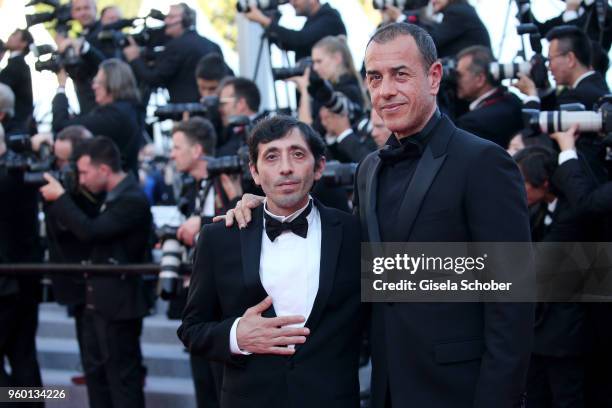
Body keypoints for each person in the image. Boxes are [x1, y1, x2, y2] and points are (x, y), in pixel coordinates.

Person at [224, 22, 534, 408]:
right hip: (387, 386)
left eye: (400, 75)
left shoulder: (484, 161)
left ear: (434, 76)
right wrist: (262, 205)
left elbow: (513, 298)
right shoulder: (369, 168)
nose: (385, 90)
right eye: (374, 78)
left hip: (461, 389)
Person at [178, 115, 363, 408]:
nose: (286, 167)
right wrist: (236, 335)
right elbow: (191, 329)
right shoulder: (220, 238)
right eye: (271, 156)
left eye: (298, 154)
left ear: (319, 167)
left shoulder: (355, 234)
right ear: (254, 171)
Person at [40, 136, 152, 408]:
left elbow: (91, 232)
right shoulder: (109, 196)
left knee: (123, 383)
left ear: (103, 170)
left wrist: (62, 198)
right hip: (97, 302)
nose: (80, 179)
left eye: (83, 172)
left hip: (120, 306)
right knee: (98, 380)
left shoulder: (131, 199)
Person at [515, 25, 610, 183]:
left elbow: (535, 131)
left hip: (583, 186)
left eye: (550, 59)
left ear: (570, 59)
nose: (548, 67)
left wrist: (532, 96)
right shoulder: (595, 88)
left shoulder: (578, 96)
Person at [0, 119, 43, 407]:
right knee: (25, 355)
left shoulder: (7, 177)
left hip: (6, 284)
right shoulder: (22, 171)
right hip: (27, 278)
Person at [52, 58, 144, 176]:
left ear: (113, 85)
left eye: (98, 82)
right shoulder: (130, 109)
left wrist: (61, 87)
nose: (93, 86)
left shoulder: (114, 116)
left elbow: (60, 126)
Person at [124, 3, 225, 104]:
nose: (166, 21)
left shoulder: (176, 46)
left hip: (185, 110)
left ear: (185, 21)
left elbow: (154, 78)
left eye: (171, 17)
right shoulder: (212, 45)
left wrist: (134, 59)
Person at [290, 35, 367, 138]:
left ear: (337, 58)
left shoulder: (346, 92)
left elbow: (307, 134)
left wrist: (304, 91)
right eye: (313, 63)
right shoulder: (330, 88)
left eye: (319, 61)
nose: (315, 68)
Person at [454, 45, 523, 148]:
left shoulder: (472, 123)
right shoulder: (514, 101)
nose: (456, 80)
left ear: (480, 79)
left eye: (460, 75)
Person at [55, 0, 110, 114]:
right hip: (85, 106)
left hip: (104, 109)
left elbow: (110, 66)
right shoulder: (79, 36)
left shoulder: (107, 32)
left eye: (86, 8)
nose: (83, 13)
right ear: (73, 13)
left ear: (95, 9)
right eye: (78, 9)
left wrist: (84, 47)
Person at [244, 0, 347, 61]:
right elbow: (291, 44)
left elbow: (300, 39)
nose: (292, 3)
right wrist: (266, 25)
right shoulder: (311, 22)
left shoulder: (330, 17)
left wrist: (265, 21)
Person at [217, 76, 261, 157]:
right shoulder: (232, 131)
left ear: (241, 104)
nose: (220, 109)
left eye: (223, 103)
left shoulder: (262, 133)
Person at [0, 29, 34, 134]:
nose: (10, 37)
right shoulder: (16, 65)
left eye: (14, 35)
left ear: (23, 43)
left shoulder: (17, 66)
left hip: (13, 127)